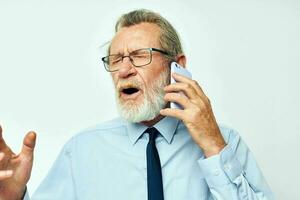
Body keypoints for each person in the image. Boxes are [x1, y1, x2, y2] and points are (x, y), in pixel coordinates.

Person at [0, 9, 274, 200]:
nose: (124, 70)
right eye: (116, 59)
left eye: (139, 55)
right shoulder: (81, 151)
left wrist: (214, 146)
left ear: (177, 65)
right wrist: (13, 197)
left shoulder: (226, 142)